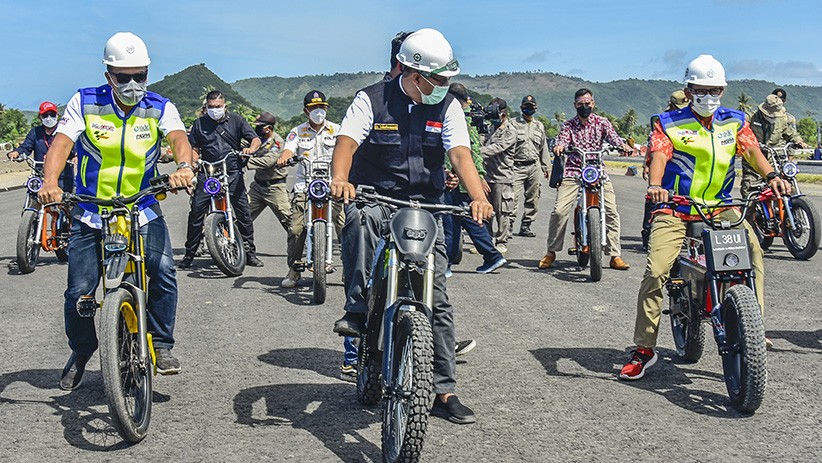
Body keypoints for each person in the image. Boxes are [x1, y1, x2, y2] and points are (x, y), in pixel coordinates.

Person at [330, 28, 493, 424]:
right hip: (375, 197)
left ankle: (443, 390)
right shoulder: (371, 99)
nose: (444, 85)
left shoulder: (448, 105)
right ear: (414, 74)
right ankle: (357, 307)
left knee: (437, 298)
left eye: (447, 78)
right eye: (438, 79)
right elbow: (346, 143)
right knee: (359, 221)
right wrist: (341, 179)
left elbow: (460, 154)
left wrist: (478, 196)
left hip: (425, 205)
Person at [37, 32, 195, 390]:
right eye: (124, 77)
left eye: (140, 75)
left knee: (164, 271)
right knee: (78, 292)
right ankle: (82, 349)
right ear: (108, 74)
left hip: (142, 207)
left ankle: (161, 343)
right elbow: (61, 143)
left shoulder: (159, 106)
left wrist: (184, 166)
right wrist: (50, 182)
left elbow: (178, 138)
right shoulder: (85, 102)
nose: (133, 84)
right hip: (91, 210)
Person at [620, 54, 789, 380]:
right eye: (701, 90)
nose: (708, 96)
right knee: (656, 270)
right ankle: (644, 349)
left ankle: (753, 325)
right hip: (676, 207)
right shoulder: (668, 123)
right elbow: (659, 154)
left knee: (753, 253)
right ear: (689, 90)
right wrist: (656, 186)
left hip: (720, 205)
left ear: (723, 91)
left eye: (715, 90)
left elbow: (751, 151)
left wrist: (772, 177)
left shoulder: (735, 121)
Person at [538, 88, 632, 271]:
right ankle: (551, 252)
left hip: (597, 170)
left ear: (593, 104)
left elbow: (614, 138)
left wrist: (623, 146)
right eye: (580, 104)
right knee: (559, 211)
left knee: (612, 211)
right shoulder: (569, 125)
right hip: (573, 171)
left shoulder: (602, 123)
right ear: (575, 105)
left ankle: (615, 255)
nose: (584, 107)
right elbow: (562, 139)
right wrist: (559, 147)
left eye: (587, 103)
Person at [180, 90, 262, 269]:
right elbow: (194, 147)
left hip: (232, 172)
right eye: (211, 107)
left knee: (243, 212)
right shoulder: (200, 123)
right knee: (196, 212)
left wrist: (251, 149)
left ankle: (250, 253)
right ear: (206, 106)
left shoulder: (237, 120)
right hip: (207, 172)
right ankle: (189, 254)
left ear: (224, 106)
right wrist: (193, 162)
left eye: (218, 106)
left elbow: (255, 139)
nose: (215, 109)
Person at [276, 90, 345, 288]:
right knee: (296, 229)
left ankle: (349, 270)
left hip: (332, 186)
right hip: (305, 187)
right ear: (306, 111)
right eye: (314, 108)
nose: (318, 111)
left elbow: (347, 150)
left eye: (321, 107)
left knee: (345, 228)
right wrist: (284, 157)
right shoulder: (297, 131)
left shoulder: (337, 130)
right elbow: (289, 149)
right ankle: (294, 270)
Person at [443, 83, 507, 275]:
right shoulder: (470, 118)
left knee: (451, 221)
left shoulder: (455, 118)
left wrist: (476, 176)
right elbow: (476, 151)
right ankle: (491, 256)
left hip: (455, 178)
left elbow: (464, 153)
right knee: (467, 218)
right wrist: (479, 176)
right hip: (465, 178)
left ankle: (447, 263)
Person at [640, 90, 690, 251]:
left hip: (682, 168)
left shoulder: (692, 119)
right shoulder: (663, 121)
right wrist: (647, 164)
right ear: (672, 105)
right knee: (654, 197)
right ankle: (648, 234)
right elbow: (652, 146)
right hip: (662, 165)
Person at [740, 94, 808, 198]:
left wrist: (798, 141)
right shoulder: (750, 117)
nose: (773, 117)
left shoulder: (782, 120)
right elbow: (740, 132)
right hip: (754, 159)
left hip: (774, 158)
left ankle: (787, 206)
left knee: (785, 184)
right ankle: (751, 207)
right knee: (751, 190)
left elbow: (790, 133)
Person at [7, 101, 75, 192]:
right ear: (40, 117)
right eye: (45, 115)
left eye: (52, 114)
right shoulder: (35, 132)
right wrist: (17, 152)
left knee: (63, 199)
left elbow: (74, 147)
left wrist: (76, 156)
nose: (49, 118)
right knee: (33, 195)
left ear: (57, 116)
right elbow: (26, 147)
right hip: (40, 175)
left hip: (62, 176)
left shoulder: (64, 132)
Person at [480, 97, 517, 254]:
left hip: (502, 176)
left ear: (503, 114)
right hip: (487, 176)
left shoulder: (510, 131)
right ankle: (486, 242)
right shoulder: (489, 129)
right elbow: (480, 141)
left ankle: (501, 242)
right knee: (485, 211)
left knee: (502, 212)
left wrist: (474, 153)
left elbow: (497, 148)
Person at [246, 112, 290, 240]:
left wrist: (245, 161)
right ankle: (232, 244)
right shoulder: (256, 139)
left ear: (269, 128)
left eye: (260, 126)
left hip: (275, 187)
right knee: (243, 216)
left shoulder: (277, 142)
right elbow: (242, 144)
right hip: (257, 187)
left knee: (290, 222)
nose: (257, 128)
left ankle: (305, 244)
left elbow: (268, 162)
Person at [511, 95, 550, 238]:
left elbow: (543, 148)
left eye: (531, 106)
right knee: (512, 197)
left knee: (533, 198)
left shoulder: (539, 126)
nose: (528, 109)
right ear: (521, 107)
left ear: (536, 108)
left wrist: (546, 167)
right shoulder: (513, 124)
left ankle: (526, 225)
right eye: (526, 106)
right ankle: (508, 225)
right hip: (516, 166)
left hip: (534, 166)